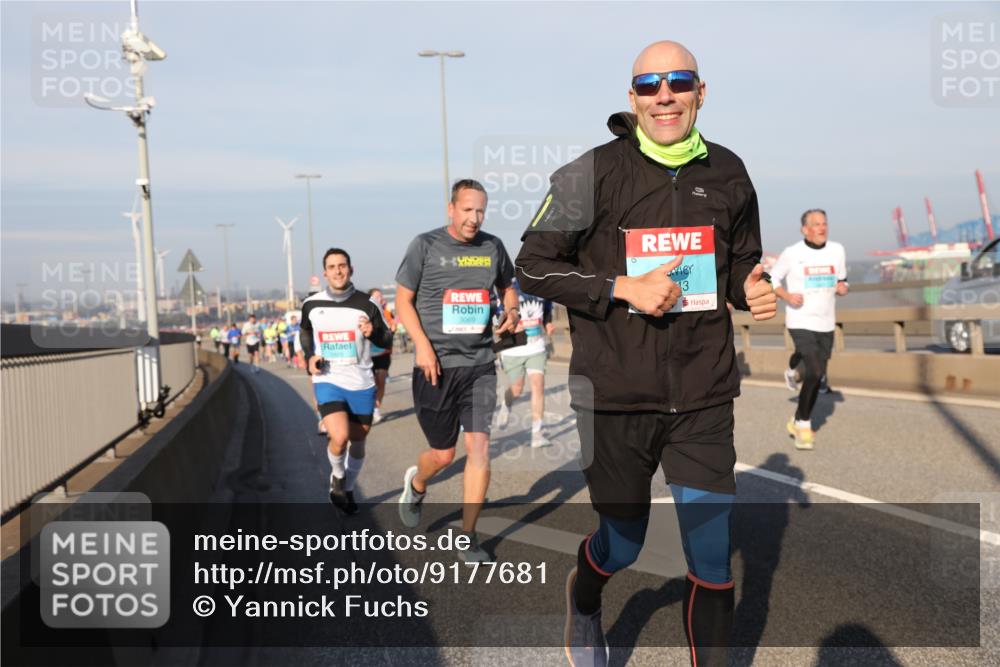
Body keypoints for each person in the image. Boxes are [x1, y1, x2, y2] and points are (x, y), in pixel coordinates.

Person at [515, 41, 777, 667]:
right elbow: (531, 267)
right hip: (616, 397)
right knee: (624, 542)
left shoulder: (730, 172)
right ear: (631, 98)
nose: (665, 95)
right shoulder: (591, 173)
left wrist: (751, 287)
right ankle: (584, 600)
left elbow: (739, 259)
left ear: (700, 92)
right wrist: (618, 287)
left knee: (712, 560)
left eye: (678, 82)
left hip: (704, 394)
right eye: (650, 84)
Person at [395, 178, 519, 563]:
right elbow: (403, 301)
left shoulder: (493, 246)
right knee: (443, 455)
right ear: (451, 209)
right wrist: (422, 346)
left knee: (479, 447)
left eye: (480, 210)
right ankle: (417, 483)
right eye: (467, 210)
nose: (474, 218)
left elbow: (508, 287)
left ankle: (469, 537)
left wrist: (511, 311)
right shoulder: (425, 245)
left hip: (480, 365)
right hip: (437, 367)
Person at [300, 248, 393, 515]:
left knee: (359, 441)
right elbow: (305, 332)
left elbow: (387, 340)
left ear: (350, 270)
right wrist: (309, 356)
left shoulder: (368, 304)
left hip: (361, 381)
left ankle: (348, 488)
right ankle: (337, 477)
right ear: (325, 272)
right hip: (328, 379)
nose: (338, 271)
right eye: (332, 266)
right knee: (339, 437)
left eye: (342, 266)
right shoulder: (312, 304)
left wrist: (373, 332)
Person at [770, 209, 848, 450]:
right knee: (814, 371)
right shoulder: (793, 253)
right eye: (816, 224)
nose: (822, 228)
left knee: (816, 376)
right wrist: (786, 295)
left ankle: (796, 414)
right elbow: (772, 278)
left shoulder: (837, 250)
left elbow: (843, 280)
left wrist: (843, 287)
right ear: (805, 229)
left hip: (826, 322)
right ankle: (804, 424)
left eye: (824, 223)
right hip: (800, 319)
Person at [494, 278, 556, 448]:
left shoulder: (544, 286)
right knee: (517, 389)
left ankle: (537, 433)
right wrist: (509, 326)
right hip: (514, 348)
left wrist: (548, 324)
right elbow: (498, 317)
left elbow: (547, 310)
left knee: (538, 386)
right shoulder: (511, 288)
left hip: (536, 346)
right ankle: (506, 404)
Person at [367, 288, 396, 425]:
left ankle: (376, 409)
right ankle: (370, 407)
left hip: (383, 353)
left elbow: (391, 332)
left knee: (381, 380)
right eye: (377, 297)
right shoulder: (365, 313)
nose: (381, 299)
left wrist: (392, 330)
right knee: (372, 383)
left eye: (381, 296)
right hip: (368, 354)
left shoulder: (388, 313)